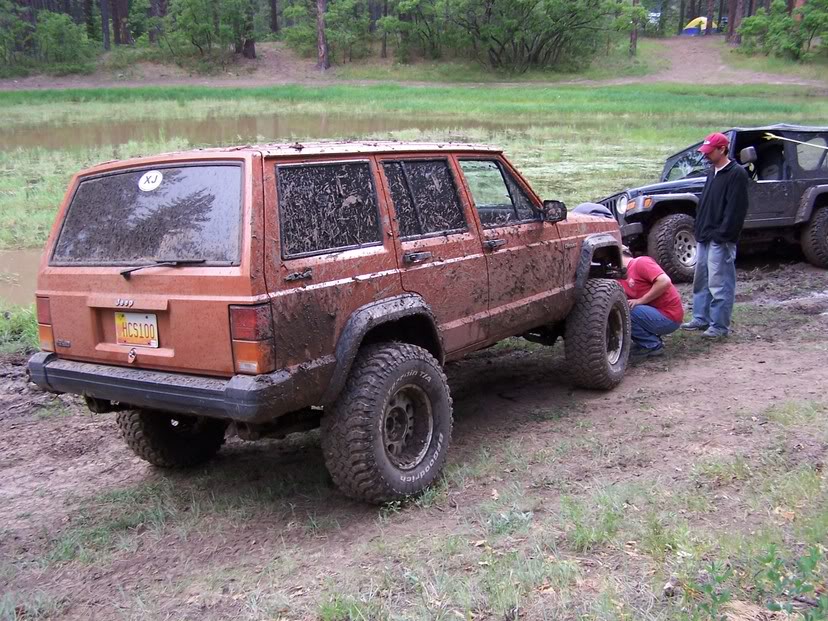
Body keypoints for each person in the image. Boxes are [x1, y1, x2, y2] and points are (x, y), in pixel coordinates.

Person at [681, 132, 750, 339]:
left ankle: (719, 326)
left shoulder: (736, 173)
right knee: (701, 279)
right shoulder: (713, 171)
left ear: (722, 149)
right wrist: (699, 228)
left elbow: (736, 209)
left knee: (720, 282)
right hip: (704, 235)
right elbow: (705, 203)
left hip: (721, 238)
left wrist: (723, 235)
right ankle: (700, 317)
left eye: (710, 151)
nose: (706, 155)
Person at [619, 247, 684, 362]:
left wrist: (641, 300)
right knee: (621, 309)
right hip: (654, 314)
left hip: (669, 316)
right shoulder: (620, 277)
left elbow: (664, 281)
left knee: (626, 310)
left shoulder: (640, 263)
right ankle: (647, 340)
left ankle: (652, 345)